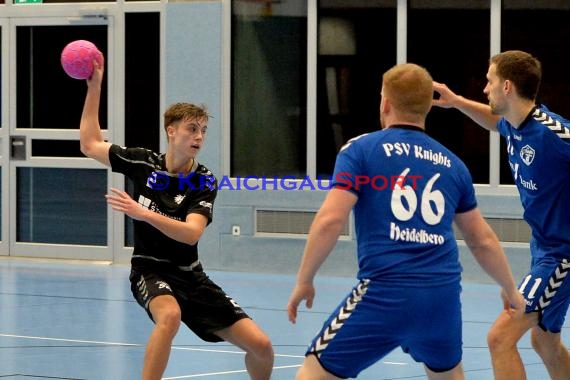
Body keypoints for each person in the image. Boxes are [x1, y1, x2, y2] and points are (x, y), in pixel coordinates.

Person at [286, 62, 526, 380]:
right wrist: (510, 288)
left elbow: (331, 219)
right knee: (448, 374)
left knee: (312, 373)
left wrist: (304, 280)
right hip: (442, 299)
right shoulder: (454, 165)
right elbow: (481, 238)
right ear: (428, 106)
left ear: (385, 102)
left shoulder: (360, 150)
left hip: (385, 293)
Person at [79, 60, 274, 380]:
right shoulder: (142, 162)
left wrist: (143, 213)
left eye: (203, 130)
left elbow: (191, 234)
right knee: (169, 317)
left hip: (191, 276)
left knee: (262, 346)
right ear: (171, 131)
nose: (199, 136)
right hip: (150, 268)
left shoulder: (204, 180)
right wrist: (94, 87)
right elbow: (89, 144)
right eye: (191, 128)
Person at [433, 50, 570, 380]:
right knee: (545, 340)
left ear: (507, 87)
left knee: (500, 338)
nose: (485, 88)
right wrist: (457, 102)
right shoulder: (515, 124)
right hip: (544, 249)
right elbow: (496, 122)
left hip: (562, 255)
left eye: (489, 81)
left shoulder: (554, 134)